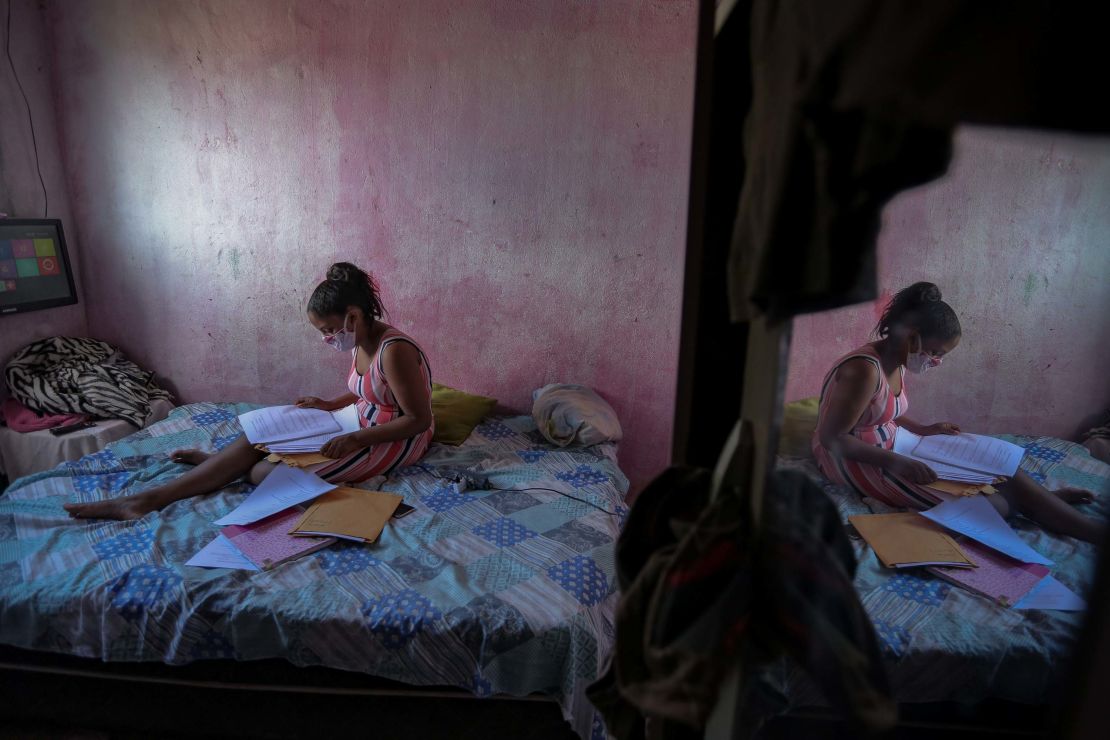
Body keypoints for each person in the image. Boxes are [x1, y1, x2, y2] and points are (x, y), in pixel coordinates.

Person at [64, 262, 434, 521]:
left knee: (262, 474)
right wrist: (327, 405)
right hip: (355, 421)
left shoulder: (394, 350)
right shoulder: (360, 337)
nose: (326, 339)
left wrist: (355, 440)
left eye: (329, 330)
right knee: (257, 438)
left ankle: (214, 469)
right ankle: (148, 499)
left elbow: (418, 419)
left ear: (353, 316)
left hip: (394, 438)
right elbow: (369, 392)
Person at [812, 282, 1101, 544]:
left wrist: (923, 429)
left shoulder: (897, 358)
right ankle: (1040, 506)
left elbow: (881, 412)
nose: (936, 361)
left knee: (1005, 472)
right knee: (995, 507)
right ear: (912, 339)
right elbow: (832, 438)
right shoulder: (863, 370)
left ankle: (1057, 511)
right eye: (936, 352)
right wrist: (897, 461)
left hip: (895, 444)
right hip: (850, 458)